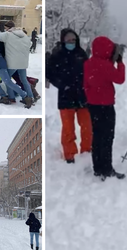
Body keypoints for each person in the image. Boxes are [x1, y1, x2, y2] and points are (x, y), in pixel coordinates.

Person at [47, 28, 92, 164]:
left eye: (73, 40)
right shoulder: (58, 55)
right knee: (68, 128)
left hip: (82, 96)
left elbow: (89, 71)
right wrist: (61, 84)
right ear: (63, 41)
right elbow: (50, 73)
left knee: (87, 127)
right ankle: (69, 155)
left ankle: (86, 151)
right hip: (65, 97)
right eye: (68, 40)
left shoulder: (81, 53)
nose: (71, 42)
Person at [84, 36, 126, 180]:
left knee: (97, 136)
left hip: (92, 105)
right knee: (107, 137)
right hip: (106, 105)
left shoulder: (88, 63)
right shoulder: (106, 65)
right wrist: (120, 63)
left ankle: (97, 167)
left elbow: (86, 83)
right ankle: (107, 168)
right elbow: (120, 79)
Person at [0, 21, 34, 107]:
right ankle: (30, 97)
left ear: (8, 28)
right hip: (23, 62)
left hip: (13, 63)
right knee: (24, 80)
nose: (5, 30)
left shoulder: (8, 35)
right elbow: (30, 44)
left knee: (8, 80)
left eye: (6, 28)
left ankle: (11, 97)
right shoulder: (24, 36)